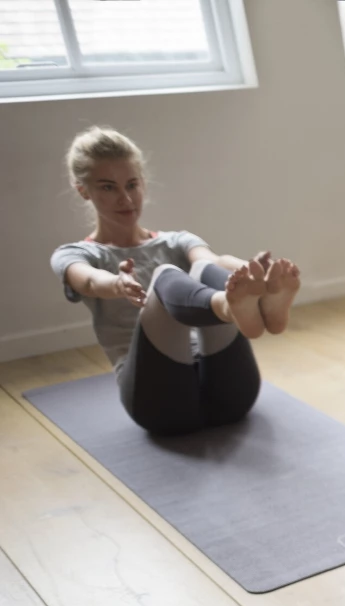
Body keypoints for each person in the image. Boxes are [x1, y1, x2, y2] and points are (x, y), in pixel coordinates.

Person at [49, 126, 300, 436]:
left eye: (132, 184)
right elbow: (88, 281)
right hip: (159, 404)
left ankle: (260, 302)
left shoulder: (177, 241)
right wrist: (118, 284)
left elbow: (211, 262)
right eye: (108, 187)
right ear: (83, 191)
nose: (126, 198)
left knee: (210, 268)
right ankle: (228, 306)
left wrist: (255, 273)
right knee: (166, 276)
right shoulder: (74, 254)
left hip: (232, 395)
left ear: (143, 183)